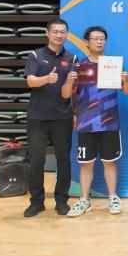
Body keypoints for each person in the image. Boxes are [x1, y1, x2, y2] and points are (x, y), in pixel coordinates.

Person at [62, 26, 128, 217]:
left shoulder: (113, 64)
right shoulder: (79, 66)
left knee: (109, 162)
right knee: (86, 163)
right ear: (87, 42)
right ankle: (84, 200)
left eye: (102, 38)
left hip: (109, 121)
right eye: (95, 38)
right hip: (86, 122)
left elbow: (127, 91)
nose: (99, 41)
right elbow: (66, 94)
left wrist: (126, 80)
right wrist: (69, 80)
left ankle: (113, 197)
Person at [23, 18, 76, 217]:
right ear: (48, 33)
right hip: (37, 117)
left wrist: (69, 82)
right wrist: (46, 79)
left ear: (67, 34)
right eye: (55, 31)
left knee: (64, 160)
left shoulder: (72, 58)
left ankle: (61, 200)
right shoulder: (36, 55)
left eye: (62, 32)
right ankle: (36, 202)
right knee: (36, 161)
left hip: (62, 117)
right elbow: (30, 81)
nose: (59, 35)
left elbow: (67, 94)